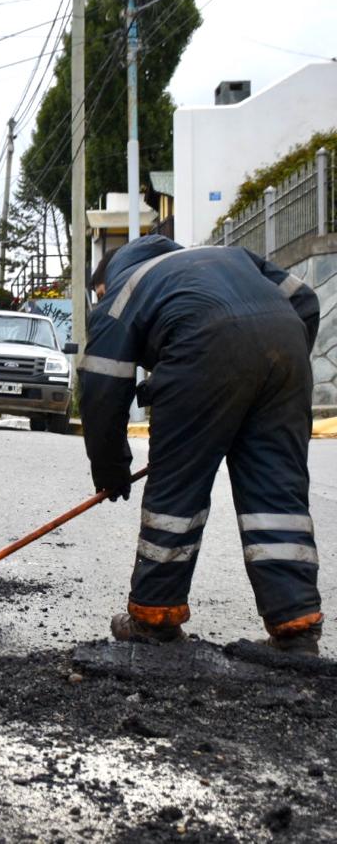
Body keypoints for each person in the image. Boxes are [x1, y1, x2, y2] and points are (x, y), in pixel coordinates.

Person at [80, 234, 323, 655]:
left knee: (176, 492)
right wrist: (270, 371)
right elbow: (304, 301)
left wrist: (111, 468)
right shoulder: (233, 257)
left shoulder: (120, 292)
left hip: (200, 351)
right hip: (285, 349)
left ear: (104, 282)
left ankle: (155, 616)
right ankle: (295, 625)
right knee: (276, 490)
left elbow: (102, 388)